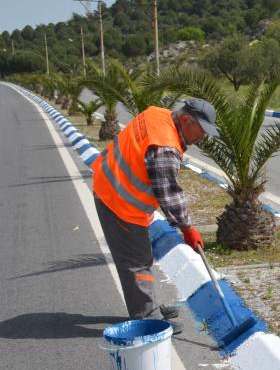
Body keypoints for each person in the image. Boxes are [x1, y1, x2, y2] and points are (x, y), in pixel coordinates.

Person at [90, 99, 220, 334]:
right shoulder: (166, 146)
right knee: (137, 264)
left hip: (110, 184)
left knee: (140, 259)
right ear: (185, 120)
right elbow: (168, 193)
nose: (202, 136)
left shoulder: (157, 114)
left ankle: (148, 307)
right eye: (200, 129)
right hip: (120, 203)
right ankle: (148, 320)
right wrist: (188, 228)